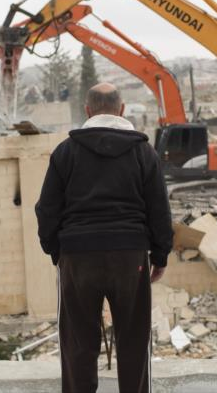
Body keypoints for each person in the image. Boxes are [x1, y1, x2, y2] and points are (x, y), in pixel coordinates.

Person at [36, 82, 173, 393]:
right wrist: (160, 256)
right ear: (122, 110)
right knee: (134, 340)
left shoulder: (65, 152)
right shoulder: (143, 152)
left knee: (78, 343)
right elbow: (160, 210)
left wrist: (57, 251)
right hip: (130, 255)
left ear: (87, 111)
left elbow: (47, 210)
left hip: (78, 256)